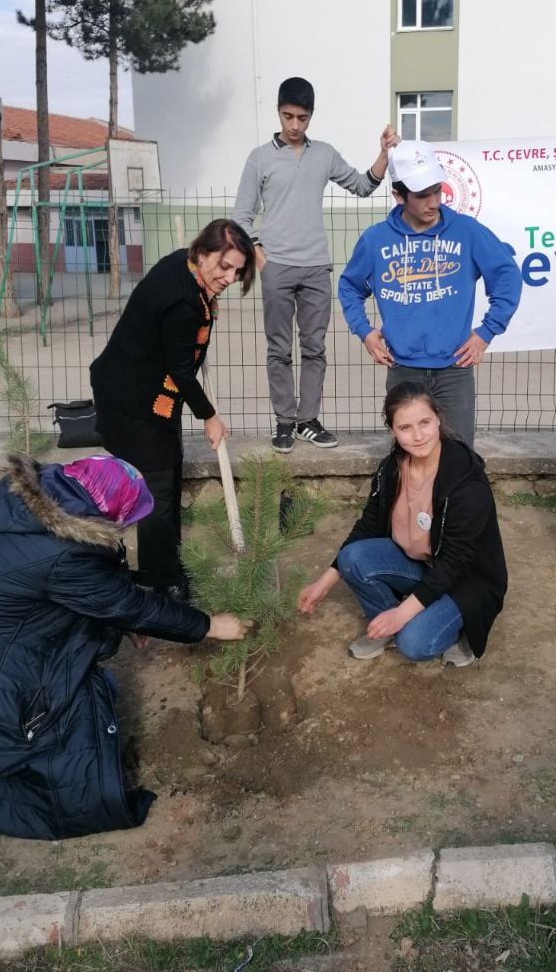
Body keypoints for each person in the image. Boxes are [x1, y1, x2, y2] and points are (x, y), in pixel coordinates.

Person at [0, 454, 243, 841]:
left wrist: (122, 617)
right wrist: (210, 626)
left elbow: (102, 595)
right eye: (127, 520)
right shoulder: (64, 553)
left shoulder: (31, 511)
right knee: (77, 720)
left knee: (83, 655)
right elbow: (126, 603)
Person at [90, 218, 256, 599]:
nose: (230, 277)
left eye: (238, 270)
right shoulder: (184, 303)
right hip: (131, 399)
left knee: (167, 473)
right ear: (202, 253)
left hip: (150, 391)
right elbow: (180, 370)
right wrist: (210, 416)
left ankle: (169, 562)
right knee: (157, 491)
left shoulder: (182, 264)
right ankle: (160, 582)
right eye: (224, 266)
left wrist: (208, 303)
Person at [233, 76, 397, 453]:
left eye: (302, 118)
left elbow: (361, 185)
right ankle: (284, 422)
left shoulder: (323, 154)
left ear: (311, 117)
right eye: (288, 116)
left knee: (315, 348)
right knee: (278, 349)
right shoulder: (259, 158)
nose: (294, 125)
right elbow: (241, 215)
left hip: (316, 267)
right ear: (278, 112)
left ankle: (307, 420)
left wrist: (384, 155)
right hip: (276, 267)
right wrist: (260, 256)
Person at [297, 381, 506, 667]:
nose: (418, 436)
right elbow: (367, 526)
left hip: (466, 580)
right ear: (392, 430)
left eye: (425, 422)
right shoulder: (392, 468)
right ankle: (389, 621)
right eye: (405, 428)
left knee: (415, 643)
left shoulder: (466, 480)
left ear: (438, 419)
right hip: (424, 566)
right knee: (352, 557)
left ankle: (462, 628)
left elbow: (455, 563)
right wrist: (325, 581)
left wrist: (403, 614)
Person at [338, 139, 522, 448]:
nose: (433, 202)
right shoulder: (375, 240)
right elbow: (349, 286)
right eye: (422, 195)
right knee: (409, 457)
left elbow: (507, 276)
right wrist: (365, 332)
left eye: (437, 190)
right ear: (399, 196)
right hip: (403, 370)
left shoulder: (467, 232)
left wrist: (487, 331)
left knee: (460, 457)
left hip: (455, 371)